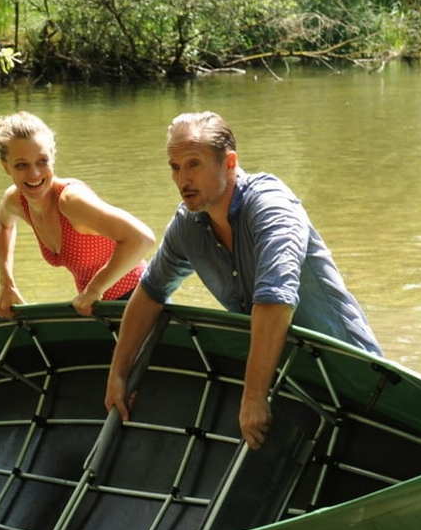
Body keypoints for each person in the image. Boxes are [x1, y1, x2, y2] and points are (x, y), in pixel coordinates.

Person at [104, 112, 381, 450]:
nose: (182, 179)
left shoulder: (272, 207)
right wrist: (118, 373)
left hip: (355, 377)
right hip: (288, 379)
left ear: (229, 162)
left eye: (194, 164)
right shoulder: (188, 224)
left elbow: (275, 302)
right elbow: (150, 293)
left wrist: (252, 396)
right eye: (175, 167)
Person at [0, 111, 155, 318]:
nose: (34, 174)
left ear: (53, 156)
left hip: (139, 297)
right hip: (94, 306)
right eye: (21, 165)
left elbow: (142, 239)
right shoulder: (16, 201)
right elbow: (3, 225)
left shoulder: (71, 201)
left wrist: (94, 289)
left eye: (42, 161)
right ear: (6, 166)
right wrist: (6, 283)